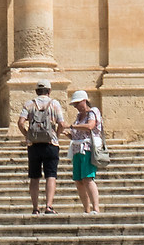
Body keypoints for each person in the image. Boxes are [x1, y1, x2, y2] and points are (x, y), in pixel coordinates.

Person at [16, 80, 68, 214]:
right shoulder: (54, 104)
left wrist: (27, 135)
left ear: (36, 91)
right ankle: (48, 206)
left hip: (34, 145)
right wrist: (56, 135)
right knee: (51, 175)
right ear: (49, 91)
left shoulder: (29, 104)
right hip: (51, 143)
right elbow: (62, 124)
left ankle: (35, 208)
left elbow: (20, 123)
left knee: (34, 177)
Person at [66, 90, 105, 215]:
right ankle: (86, 209)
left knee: (87, 178)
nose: (76, 106)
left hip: (88, 148)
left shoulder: (93, 112)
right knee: (79, 180)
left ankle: (95, 208)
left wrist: (71, 126)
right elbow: (76, 135)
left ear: (84, 101)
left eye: (77, 103)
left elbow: (90, 126)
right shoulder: (79, 117)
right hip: (77, 149)